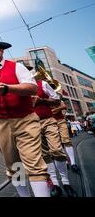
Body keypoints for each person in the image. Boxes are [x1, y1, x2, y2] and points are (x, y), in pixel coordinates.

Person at [0, 40, 50, 197]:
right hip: (0, 122)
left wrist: (9, 88)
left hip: (25, 120)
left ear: (1, 51)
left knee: (34, 164)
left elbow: (32, 87)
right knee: (14, 165)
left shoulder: (17, 66)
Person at [29, 68, 77, 197]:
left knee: (56, 150)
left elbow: (56, 100)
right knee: (45, 155)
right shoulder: (21, 90)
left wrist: (42, 101)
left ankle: (66, 183)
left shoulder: (42, 84)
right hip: (33, 125)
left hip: (48, 120)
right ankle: (55, 184)